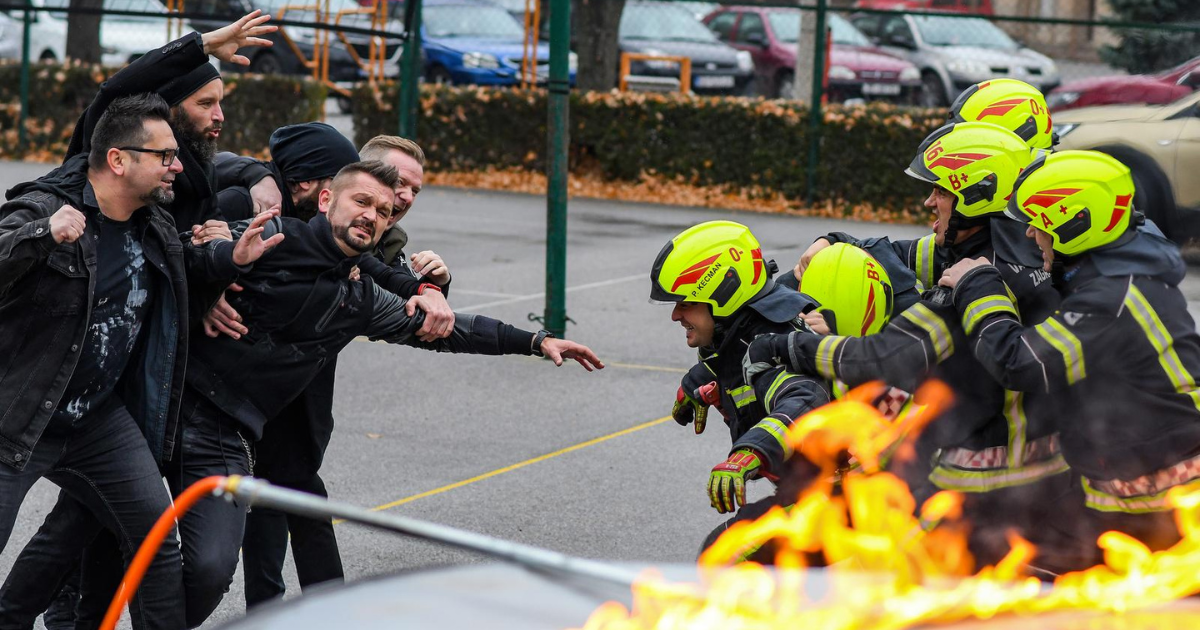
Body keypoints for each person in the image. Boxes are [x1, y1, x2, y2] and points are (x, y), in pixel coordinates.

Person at [0, 16, 278, 628]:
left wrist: (232, 254)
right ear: (118, 158)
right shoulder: (52, 203)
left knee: (155, 545)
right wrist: (42, 237)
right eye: (166, 156)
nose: (178, 167)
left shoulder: (155, 218)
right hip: (20, 412)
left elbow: (188, 258)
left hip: (97, 417)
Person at [747, 122, 1083, 572]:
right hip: (1051, 471)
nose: (929, 202)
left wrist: (791, 345)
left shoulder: (972, 280)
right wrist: (837, 241)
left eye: (940, 192)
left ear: (977, 195)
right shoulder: (1035, 253)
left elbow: (881, 357)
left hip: (980, 491)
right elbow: (901, 254)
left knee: (844, 558)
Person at [939, 149, 1200, 555]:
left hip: (1159, 503)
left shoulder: (1110, 298)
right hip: (1130, 483)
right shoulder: (1122, 263)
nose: (1029, 234)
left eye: (1038, 224)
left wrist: (980, 284)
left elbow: (1020, 363)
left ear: (1075, 227)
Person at [650, 221, 832, 557]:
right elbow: (731, 357)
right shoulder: (748, 326)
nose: (676, 315)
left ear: (723, 296)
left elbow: (805, 399)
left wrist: (749, 452)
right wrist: (701, 376)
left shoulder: (774, 344)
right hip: (817, 489)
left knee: (727, 556)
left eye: (685, 303)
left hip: (846, 496)